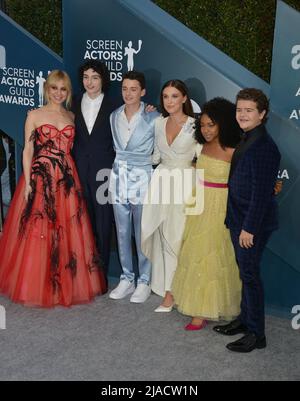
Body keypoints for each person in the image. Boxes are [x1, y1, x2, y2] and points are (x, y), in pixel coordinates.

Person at [0, 70, 107, 307]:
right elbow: (27, 150)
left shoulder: (71, 115)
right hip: (41, 177)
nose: (58, 93)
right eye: (54, 88)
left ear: (68, 92)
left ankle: (64, 285)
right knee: (39, 229)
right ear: (46, 89)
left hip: (67, 178)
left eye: (63, 89)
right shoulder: (35, 115)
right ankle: (37, 284)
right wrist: (27, 182)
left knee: (66, 231)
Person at [213, 88, 281, 353]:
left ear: (262, 114)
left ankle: (256, 334)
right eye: (239, 109)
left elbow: (262, 194)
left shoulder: (264, 146)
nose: (242, 114)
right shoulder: (248, 137)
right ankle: (245, 320)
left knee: (250, 276)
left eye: (249, 110)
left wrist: (249, 229)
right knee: (245, 273)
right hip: (239, 220)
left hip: (252, 225)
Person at [172, 98, 242, 330]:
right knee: (194, 252)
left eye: (211, 124)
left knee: (214, 253)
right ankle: (195, 303)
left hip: (220, 206)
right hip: (199, 200)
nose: (206, 129)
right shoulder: (202, 146)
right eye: (202, 125)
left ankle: (204, 310)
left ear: (223, 123)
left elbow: (243, 182)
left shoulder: (234, 150)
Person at [141, 79, 201, 312]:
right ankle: (168, 288)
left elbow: (202, 155)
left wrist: (191, 172)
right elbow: (155, 156)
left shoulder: (196, 126)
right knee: (164, 236)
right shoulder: (158, 123)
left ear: (184, 98)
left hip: (185, 184)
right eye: (166, 96)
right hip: (161, 182)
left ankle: (174, 292)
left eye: (174, 96)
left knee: (178, 238)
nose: (169, 101)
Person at [109, 71, 159, 303]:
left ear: (143, 92)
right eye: (125, 88)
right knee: (121, 231)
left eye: (133, 89)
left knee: (142, 231)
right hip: (118, 176)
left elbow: (160, 150)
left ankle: (145, 280)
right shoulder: (114, 116)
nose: (128, 93)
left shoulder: (154, 117)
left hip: (143, 177)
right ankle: (127, 277)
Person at [72, 61, 116, 281]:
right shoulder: (73, 102)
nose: (89, 82)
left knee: (103, 221)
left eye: (95, 77)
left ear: (103, 80)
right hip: (79, 170)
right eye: (86, 77)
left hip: (104, 172)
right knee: (82, 221)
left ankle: (102, 273)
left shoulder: (114, 105)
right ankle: (83, 271)